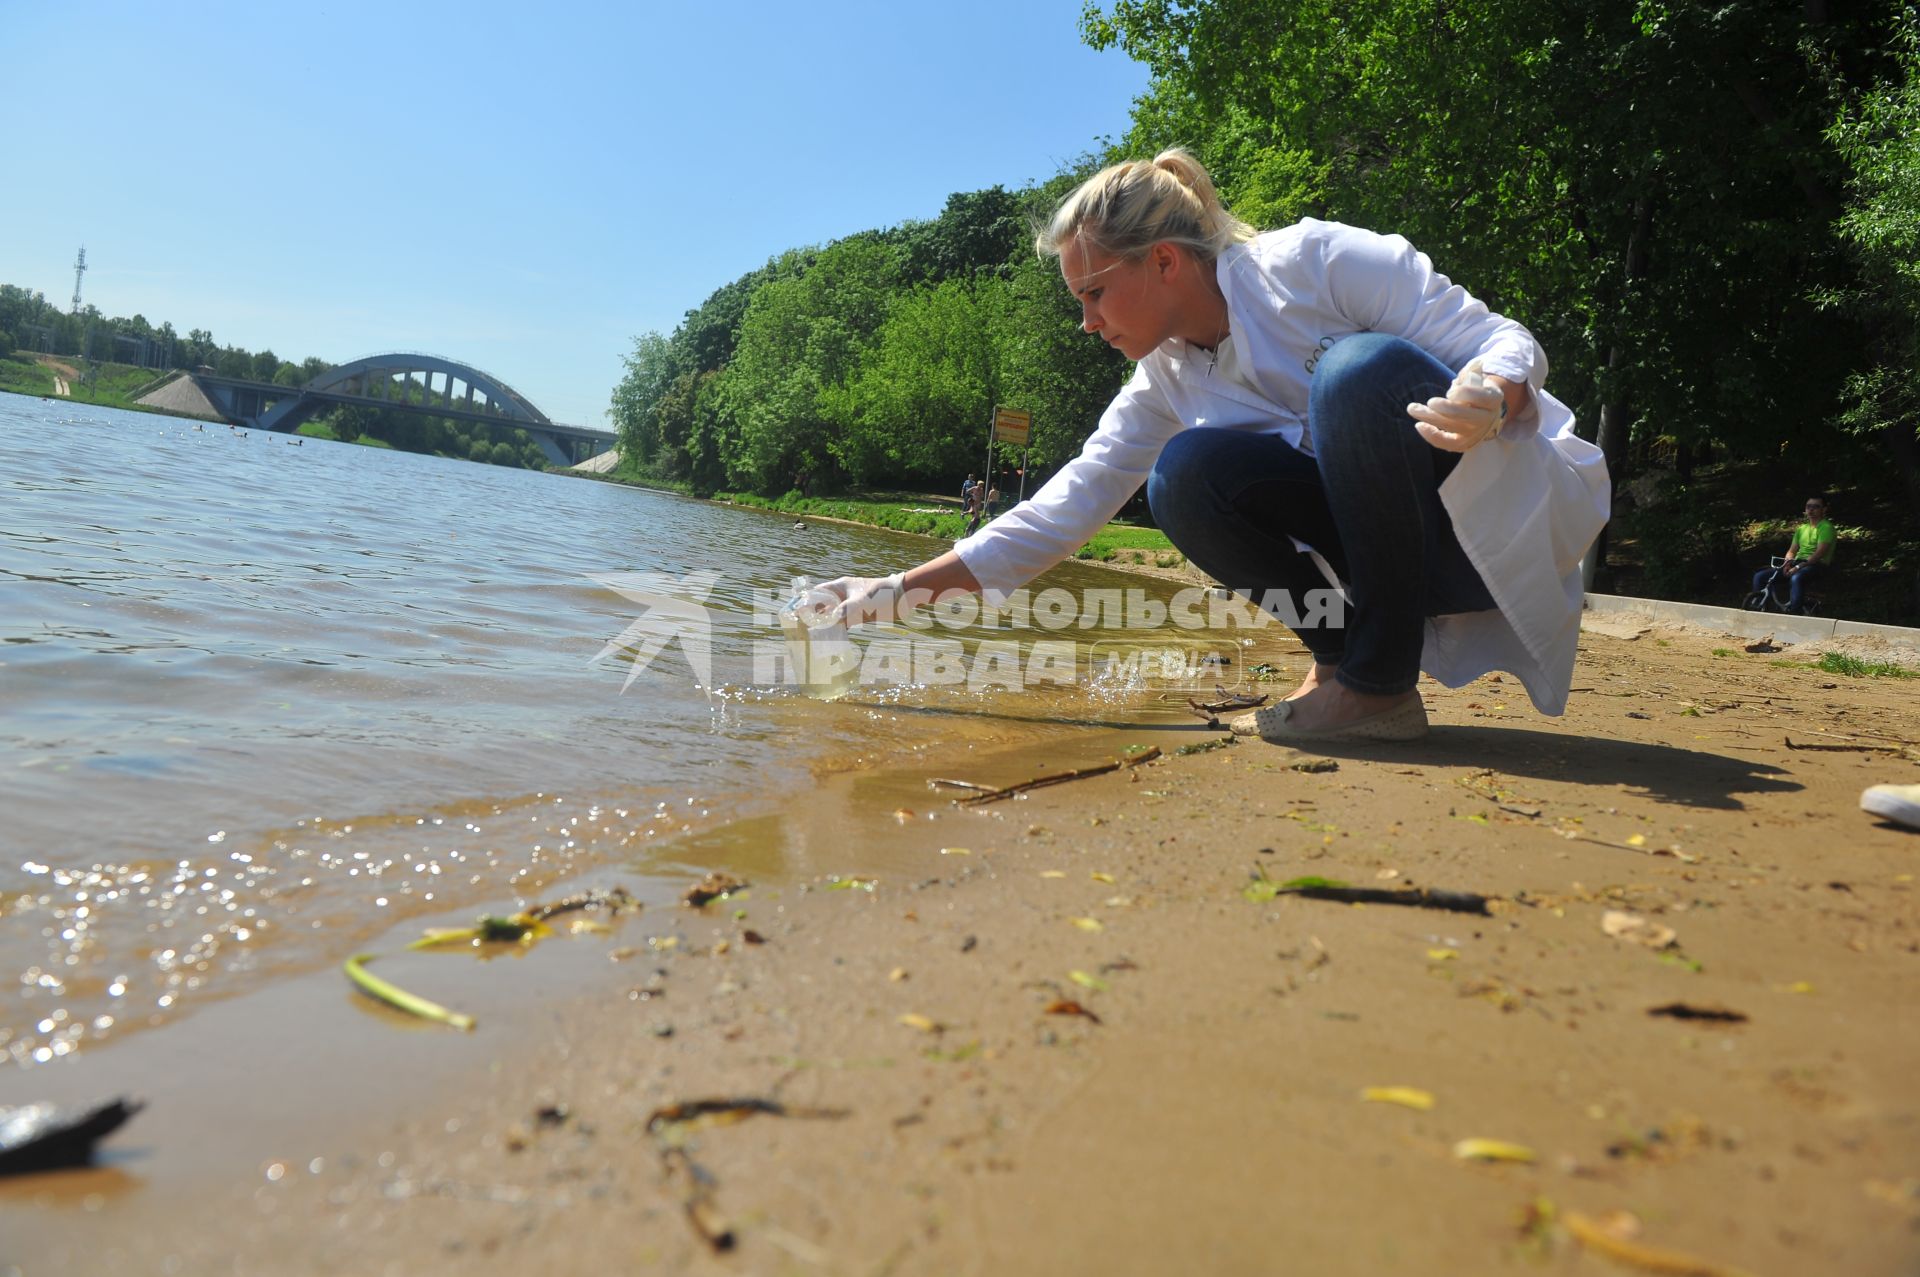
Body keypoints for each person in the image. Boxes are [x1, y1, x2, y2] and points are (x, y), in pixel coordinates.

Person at [816, 148, 1610, 741]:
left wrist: (1490, 397)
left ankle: (1378, 685)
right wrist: (895, 590)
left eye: (1093, 293)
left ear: (1163, 260)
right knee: (1183, 476)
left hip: (1483, 533)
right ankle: (1340, 659)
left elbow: (1505, 338)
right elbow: (1067, 504)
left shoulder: (1311, 262)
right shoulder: (1164, 378)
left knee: (1355, 372)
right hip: (1394, 565)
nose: (1086, 321)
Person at [1751, 495, 1834, 615]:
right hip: (1798, 563)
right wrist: (1787, 564)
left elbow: (1819, 554)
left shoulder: (1826, 528)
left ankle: (1795, 613)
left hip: (1816, 565)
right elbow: (1792, 551)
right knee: (1760, 576)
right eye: (1808, 506)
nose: (1811, 510)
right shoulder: (1802, 529)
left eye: (1816, 507)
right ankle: (1759, 608)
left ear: (1824, 509)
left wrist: (1797, 567)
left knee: (1796, 578)